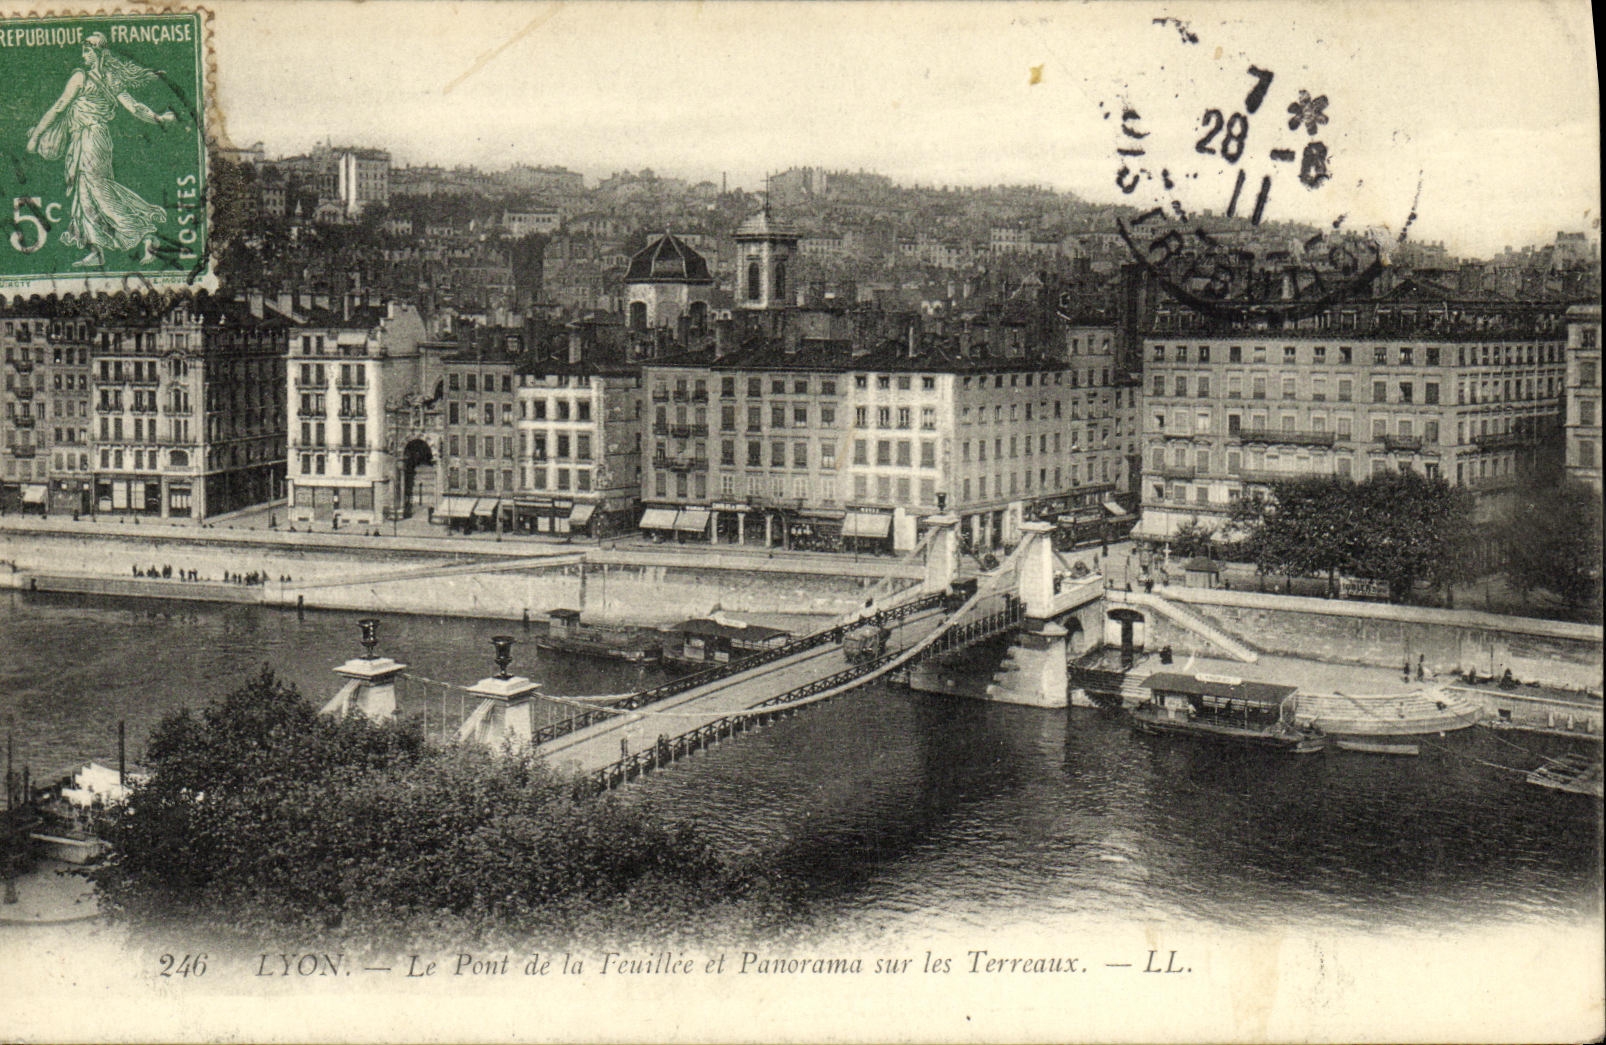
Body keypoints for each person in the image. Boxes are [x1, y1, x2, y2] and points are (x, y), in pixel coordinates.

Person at [25, 34, 178, 268]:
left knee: (99, 191)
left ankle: (146, 234)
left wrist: (36, 137)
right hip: (91, 139)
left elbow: (59, 107)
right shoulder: (110, 78)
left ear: (99, 53)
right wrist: (158, 118)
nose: (83, 55)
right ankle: (97, 250)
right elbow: (135, 107)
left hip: (90, 139)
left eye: (87, 51)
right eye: (83, 51)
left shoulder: (81, 77)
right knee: (85, 194)